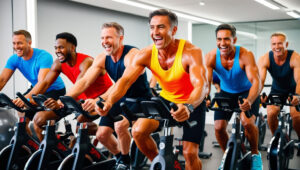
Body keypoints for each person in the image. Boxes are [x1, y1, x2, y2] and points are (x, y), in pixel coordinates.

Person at [96, 9, 208, 170]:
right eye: (152, 27)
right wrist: (109, 100)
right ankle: (165, 166)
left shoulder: (190, 52)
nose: (155, 32)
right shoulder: (146, 54)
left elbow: (201, 86)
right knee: (138, 131)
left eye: (161, 27)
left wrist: (189, 106)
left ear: (173, 30)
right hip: (166, 99)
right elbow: (125, 81)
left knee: (190, 153)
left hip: (192, 102)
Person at [65, 22, 152, 170]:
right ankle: (120, 158)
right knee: (102, 134)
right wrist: (65, 99)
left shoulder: (132, 55)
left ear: (120, 38)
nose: (105, 42)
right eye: (102, 38)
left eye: (109, 37)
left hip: (139, 99)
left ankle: (125, 161)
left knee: (120, 125)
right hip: (121, 97)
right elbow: (85, 81)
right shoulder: (102, 58)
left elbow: (124, 83)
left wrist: (102, 99)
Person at [29, 32, 112, 141]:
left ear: (72, 48)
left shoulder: (87, 62)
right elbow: (45, 83)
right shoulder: (58, 63)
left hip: (101, 98)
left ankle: (105, 132)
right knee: (39, 119)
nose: (57, 51)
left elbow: (79, 85)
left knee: (81, 124)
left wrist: (59, 102)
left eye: (61, 47)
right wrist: (28, 98)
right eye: (56, 48)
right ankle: (52, 152)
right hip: (80, 99)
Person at [205, 24, 262, 169]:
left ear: (234, 39)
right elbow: (206, 82)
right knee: (218, 127)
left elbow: (257, 81)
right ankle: (227, 156)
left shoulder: (245, 55)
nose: (222, 43)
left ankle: (255, 154)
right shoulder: (211, 56)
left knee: (247, 122)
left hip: (246, 92)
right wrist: (205, 97)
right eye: (219, 39)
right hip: (225, 93)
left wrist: (249, 100)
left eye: (226, 39)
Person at [0, 30, 65, 135]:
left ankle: (46, 150)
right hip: (36, 87)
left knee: (38, 121)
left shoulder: (43, 56)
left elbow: (42, 83)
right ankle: (30, 147)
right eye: (14, 43)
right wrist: (26, 100)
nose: (16, 46)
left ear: (29, 43)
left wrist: (26, 98)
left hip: (54, 90)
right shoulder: (14, 59)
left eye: (20, 43)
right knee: (21, 120)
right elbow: (2, 80)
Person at [258, 32, 300, 142]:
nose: (277, 47)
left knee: (296, 117)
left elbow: (299, 79)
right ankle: (276, 139)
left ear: (286, 44)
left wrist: (297, 95)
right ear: (271, 45)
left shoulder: (294, 57)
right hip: (277, 90)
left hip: (294, 90)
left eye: (280, 43)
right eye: (274, 44)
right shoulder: (265, 58)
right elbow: (260, 80)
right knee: (271, 114)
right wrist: (257, 95)